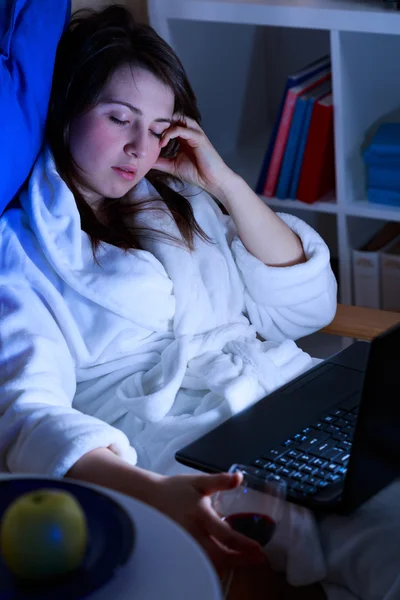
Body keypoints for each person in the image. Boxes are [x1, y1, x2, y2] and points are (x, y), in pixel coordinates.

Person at [0, 5, 337, 571]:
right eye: (118, 118)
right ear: (67, 109)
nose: (140, 147)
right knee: (371, 535)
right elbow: (25, 408)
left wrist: (224, 184)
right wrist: (149, 490)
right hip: (179, 444)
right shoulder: (23, 248)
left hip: (286, 397)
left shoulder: (182, 200)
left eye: (158, 130)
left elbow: (306, 308)